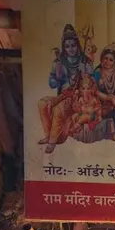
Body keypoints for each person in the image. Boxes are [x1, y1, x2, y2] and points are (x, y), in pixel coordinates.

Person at [38, 24, 93, 153]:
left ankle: (52, 142)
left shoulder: (84, 61)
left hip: (77, 97)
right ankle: (48, 135)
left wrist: (84, 73)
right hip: (63, 94)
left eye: (73, 45)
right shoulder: (59, 62)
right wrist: (57, 77)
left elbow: (91, 82)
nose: (71, 49)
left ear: (77, 45)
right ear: (64, 47)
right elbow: (52, 83)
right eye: (67, 46)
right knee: (42, 104)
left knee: (59, 109)